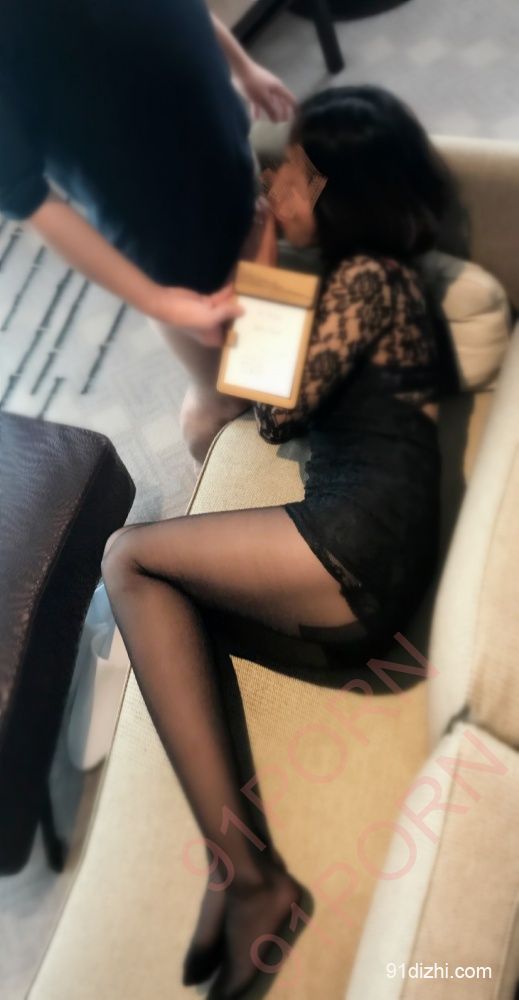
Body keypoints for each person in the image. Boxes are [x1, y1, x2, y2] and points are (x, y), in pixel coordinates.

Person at [101, 86, 457, 999]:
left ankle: (256, 881)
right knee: (166, 607)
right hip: (368, 559)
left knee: (128, 559)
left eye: (291, 172)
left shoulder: (368, 278)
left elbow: (269, 409)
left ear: (334, 192)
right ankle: (234, 871)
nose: (273, 181)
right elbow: (274, 404)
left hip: (357, 551)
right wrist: (275, 240)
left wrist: (261, 243)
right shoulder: (372, 280)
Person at [0, 0, 295, 451]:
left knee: (267, 342)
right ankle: (205, 460)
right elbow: (25, 196)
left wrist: (243, 67)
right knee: (221, 398)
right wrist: (162, 303)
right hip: (165, 242)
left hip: (226, 160)